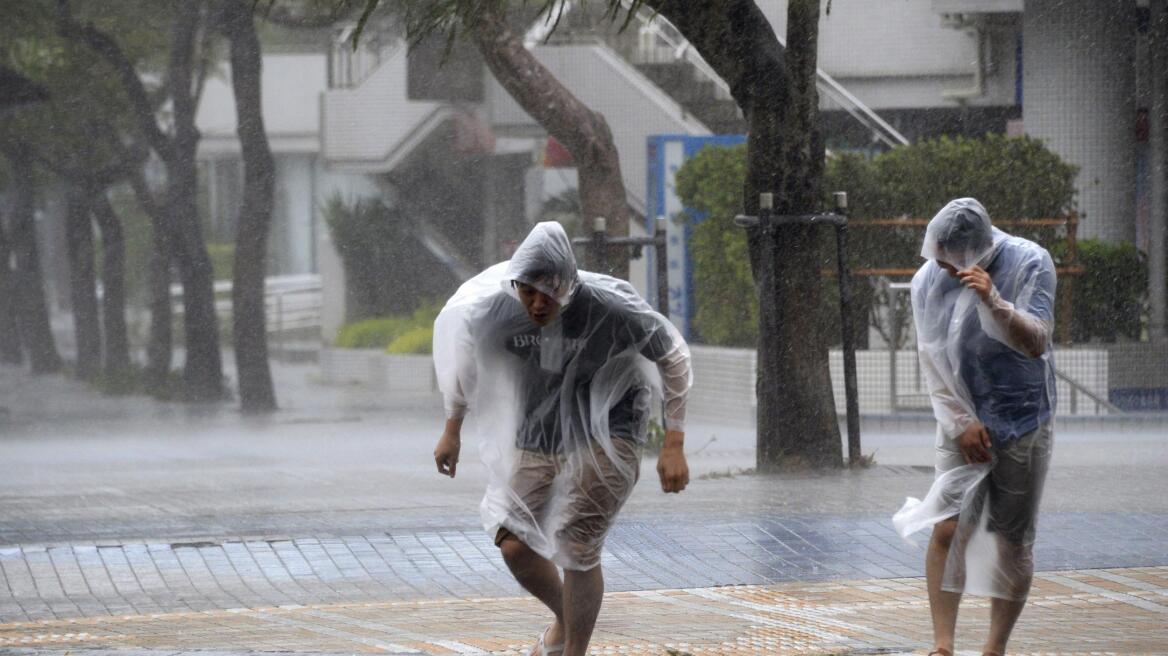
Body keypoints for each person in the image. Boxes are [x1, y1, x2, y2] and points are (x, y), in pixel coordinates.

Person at [431, 222, 691, 656]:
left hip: (611, 430)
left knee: (575, 543)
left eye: (547, 293)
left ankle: (572, 652)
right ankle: (567, 619)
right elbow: (461, 356)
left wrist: (675, 442)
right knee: (513, 543)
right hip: (541, 431)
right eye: (526, 290)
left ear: (569, 283)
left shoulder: (611, 306)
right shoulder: (498, 308)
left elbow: (673, 357)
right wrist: (451, 428)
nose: (535, 303)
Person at [892, 198, 1057, 656]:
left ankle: (994, 647)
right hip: (959, 419)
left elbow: (1037, 340)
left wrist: (992, 299)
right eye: (937, 256)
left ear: (976, 251)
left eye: (952, 259)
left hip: (1024, 418)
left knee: (1011, 541)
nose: (943, 269)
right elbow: (931, 356)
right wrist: (961, 421)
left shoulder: (1029, 262)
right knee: (946, 527)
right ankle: (942, 645)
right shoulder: (928, 279)